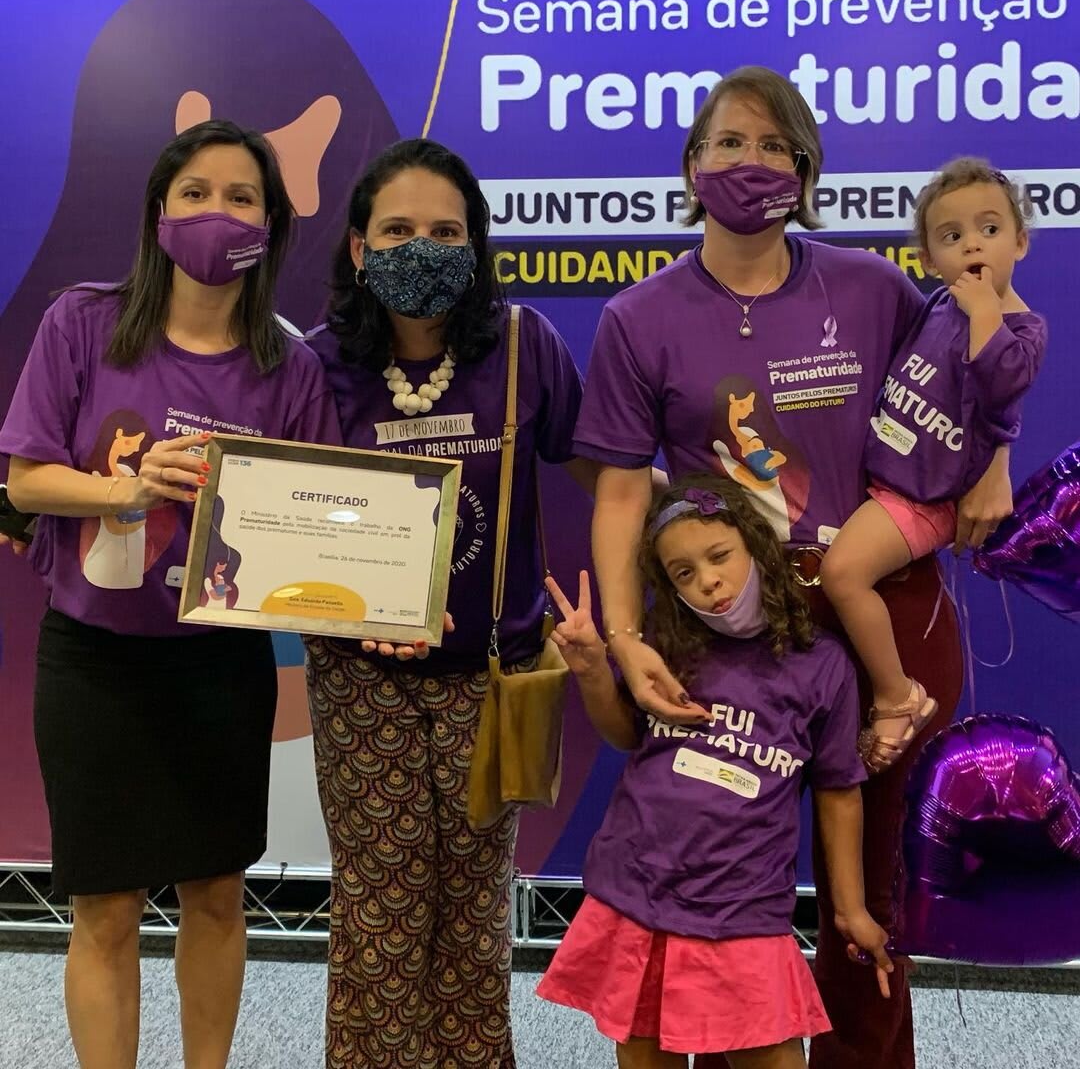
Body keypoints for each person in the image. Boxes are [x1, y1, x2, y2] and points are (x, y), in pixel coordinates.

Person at [572, 66, 1012, 1069]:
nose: (752, 161)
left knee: (873, 902)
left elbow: (981, 364)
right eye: (730, 142)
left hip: (883, 621)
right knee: (713, 888)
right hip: (731, 638)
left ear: (807, 173)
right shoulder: (638, 318)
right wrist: (627, 638)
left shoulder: (874, 287)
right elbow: (622, 496)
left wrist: (994, 464)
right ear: (692, 165)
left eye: (777, 146)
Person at [0, 120, 340, 1069]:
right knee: (105, 907)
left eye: (241, 197)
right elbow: (25, 480)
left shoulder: (290, 366)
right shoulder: (83, 322)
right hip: (94, 659)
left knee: (217, 894)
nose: (215, 212)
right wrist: (126, 490)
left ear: (269, 226)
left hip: (219, 666)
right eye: (195, 193)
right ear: (159, 213)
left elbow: (316, 525)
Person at [304, 138, 595, 1069]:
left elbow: (610, 473)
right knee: (380, 914)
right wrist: (348, 613)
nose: (421, 247)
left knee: (473, 916)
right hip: (361, 682)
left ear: (474, 247)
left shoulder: (524, 347)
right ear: (360, 248)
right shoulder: (314, 366)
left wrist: (718, 507)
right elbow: (288, 528)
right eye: (397, 231)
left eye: (445, 231)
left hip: (490, 679)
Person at [537, 476, 892, 1069]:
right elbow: (626, 734)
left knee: (772, 1056)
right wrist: (595, 670)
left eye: (720, 556)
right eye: (684, 572)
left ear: (757, 548)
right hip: (637, 890)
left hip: (743, 907)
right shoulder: (667, 642)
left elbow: (839, 792)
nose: (707, 580)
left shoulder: (823, 665)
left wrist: (851, 909)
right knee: (644, 1051)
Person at [821, 158, 1045, 772]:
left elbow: (1001, 388)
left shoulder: (1022, 330)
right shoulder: (940, 302)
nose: (973, 244)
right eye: (952, 236)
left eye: (990, 229)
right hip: (882, 479)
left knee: (843, 574)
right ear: (927, 257)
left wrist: (985, 313)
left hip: (922, 500)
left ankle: (897, 696)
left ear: (1020, 242)